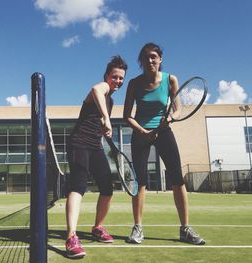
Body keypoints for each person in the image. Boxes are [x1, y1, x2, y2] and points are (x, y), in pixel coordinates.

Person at [123, 43, 205, 245]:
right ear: (141, 62)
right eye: (145, 58)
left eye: (153, 57)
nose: (150, 60)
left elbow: (177, 110)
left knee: (177, 179)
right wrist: (143, 131)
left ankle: (185, 228)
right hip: (140, 134)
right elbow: (127, 116)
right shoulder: (133, 83)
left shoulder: (170, 80)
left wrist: (169, 119)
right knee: (140, 183)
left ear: (160, 59)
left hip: (164, 132)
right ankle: (138, 228)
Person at [65, 55, 128, 258]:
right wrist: (106, 119)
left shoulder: (111, 101)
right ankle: (71, 237)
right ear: (107, 76)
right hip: (79, 144)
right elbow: (95, 90)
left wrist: (104, 130)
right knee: (78, 187)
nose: (117, 81)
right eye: (115, 77)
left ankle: (97, 227)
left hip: (95, 147)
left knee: (107, 189)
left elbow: (98, 124)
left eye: (121, 79)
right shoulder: (102, 88)